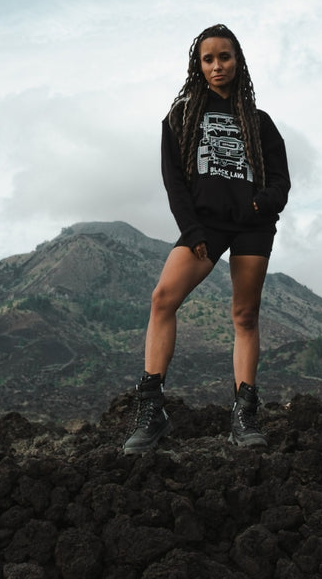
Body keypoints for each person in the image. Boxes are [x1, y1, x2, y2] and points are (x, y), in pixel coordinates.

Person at [122, 24, 291, 455]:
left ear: (238, 61)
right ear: (198, 65)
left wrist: (260, 204)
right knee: (163, 299)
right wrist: (192, 228)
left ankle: (243, 414)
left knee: (245, 315)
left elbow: (280, 181)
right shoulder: (181, 117)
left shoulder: (260, 122)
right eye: (208, 59)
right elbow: (174, 181)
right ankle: (152, 409)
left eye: (225, 57)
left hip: (252, 225)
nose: (218, 66)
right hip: (206, 226)